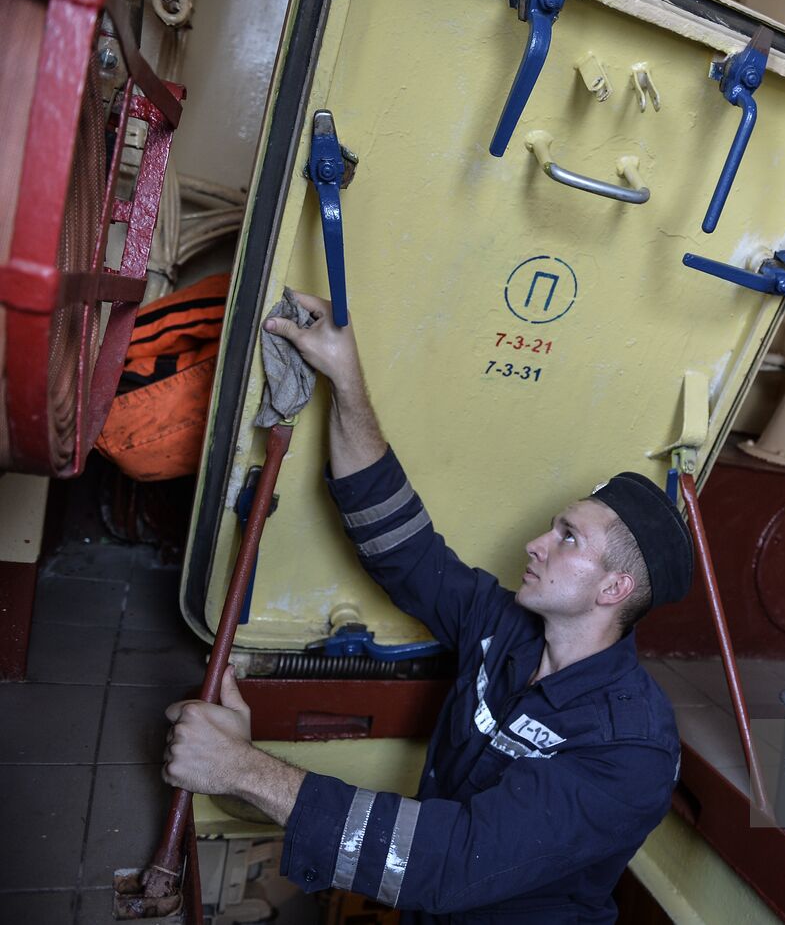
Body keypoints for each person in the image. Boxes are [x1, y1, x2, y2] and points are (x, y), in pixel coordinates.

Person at [162, 292, 693, 922]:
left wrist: (240, 769)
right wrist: (346, 378)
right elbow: (403, 548)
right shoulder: (509, 628)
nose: (536, 543)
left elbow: (451, 859)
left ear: (613, 590)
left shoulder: (630, 750)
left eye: (568, 538)